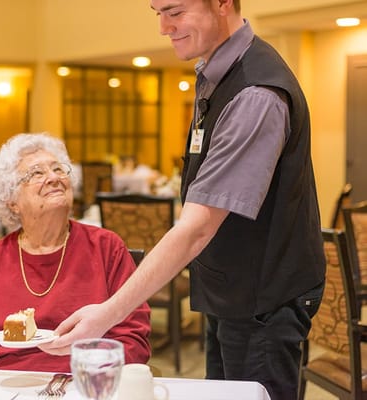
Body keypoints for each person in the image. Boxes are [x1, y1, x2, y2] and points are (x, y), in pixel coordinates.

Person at [41, 1, 325, 398]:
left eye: (174, 12)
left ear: (224, 4)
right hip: (231, 290)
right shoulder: (215, 73)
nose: (163, 28)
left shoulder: (256, 93)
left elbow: (197, 228)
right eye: (157, 12)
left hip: (265, 299)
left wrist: (107, 314)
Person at [0, 132, 151, 373]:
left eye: (58, 169)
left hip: (85, 382)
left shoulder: (106, 248)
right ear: (11, 201)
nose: (53, 178)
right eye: (37, 173)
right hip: (6, 384)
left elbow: (133, 338)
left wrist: (93, 376)